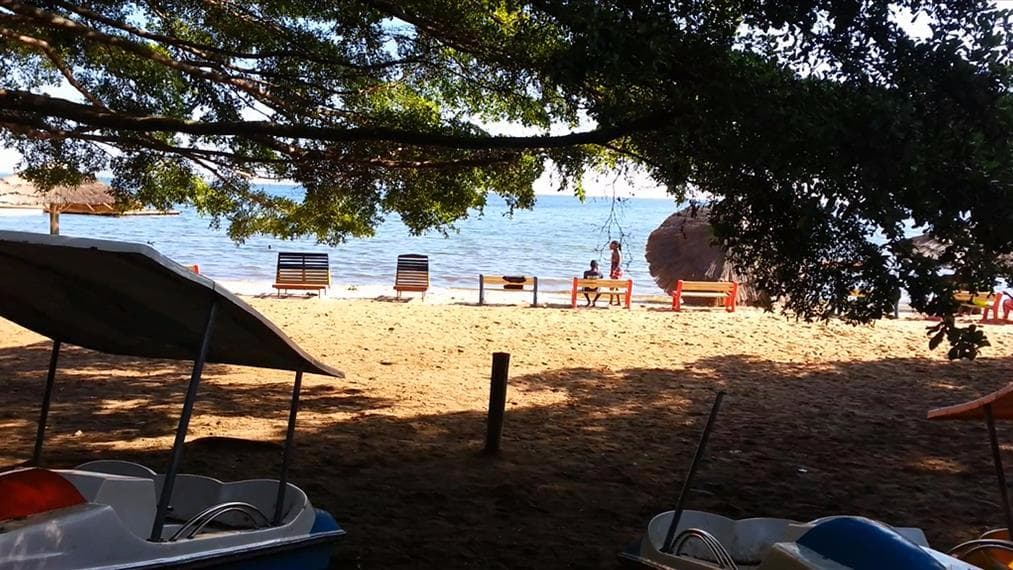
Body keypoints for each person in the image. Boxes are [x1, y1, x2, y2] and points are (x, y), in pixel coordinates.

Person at [608, 240, 623, 306]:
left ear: (616, 246)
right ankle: (618, 302)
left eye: (612, 244)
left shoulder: (617, 253)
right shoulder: (614, 252)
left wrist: (613, 272)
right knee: (616, 286)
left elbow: (618, 264)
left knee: (612, 286)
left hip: (616, 271)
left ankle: (611, 301)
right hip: (614, 270)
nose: (610, 246)